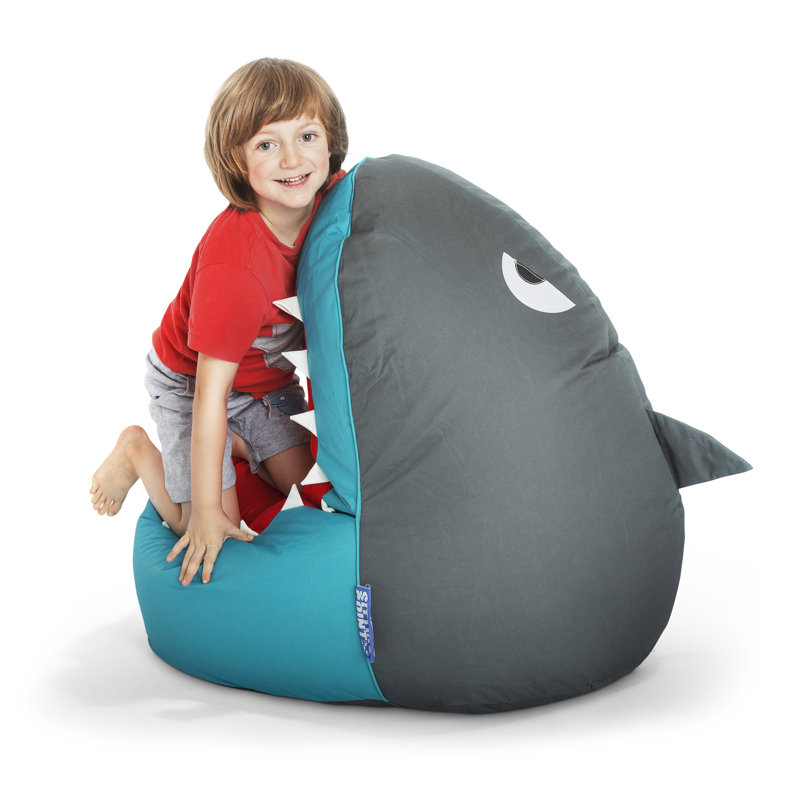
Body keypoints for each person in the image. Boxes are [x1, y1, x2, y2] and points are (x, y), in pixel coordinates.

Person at [90, 58, 348, 587]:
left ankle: (239, 444)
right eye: (267, 144)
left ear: (330, 141)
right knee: (212, 527)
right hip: (192, 384)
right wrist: (207, 512)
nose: (293, 159)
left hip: (266, 379)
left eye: (307, 136)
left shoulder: (335, 200)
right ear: (237, 159)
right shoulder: (237, 267)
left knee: (315, 491)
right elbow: (210, 394)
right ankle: (138, 452)